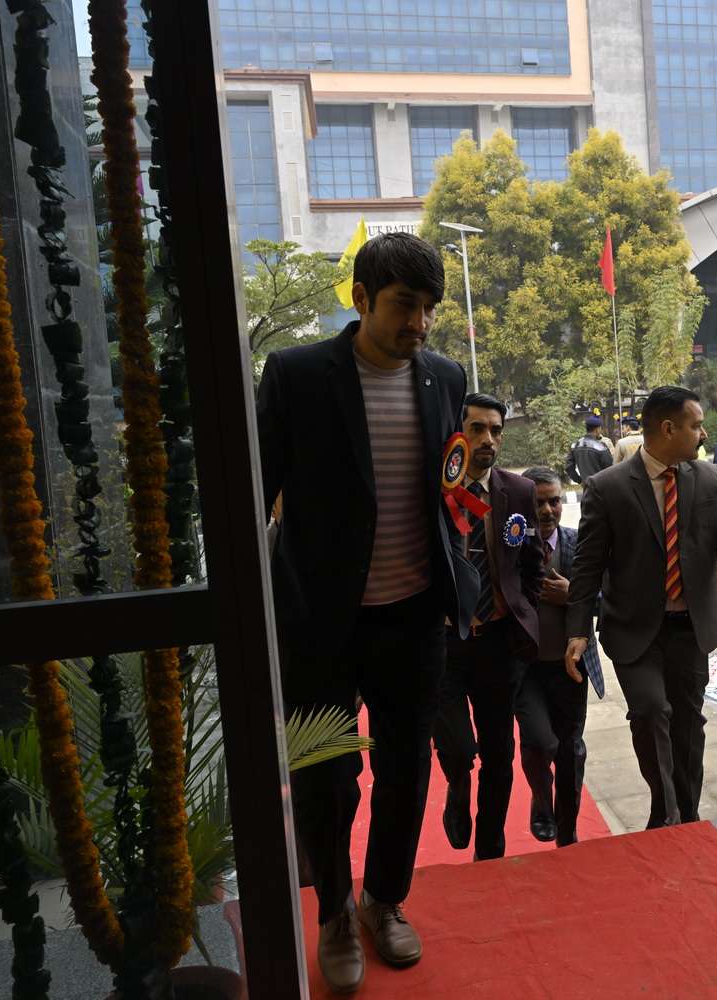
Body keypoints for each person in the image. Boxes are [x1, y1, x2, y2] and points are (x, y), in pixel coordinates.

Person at [256, 232, 469, 992]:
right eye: (405, 305)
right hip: (321, 623)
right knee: (328, 776)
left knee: (406, 769)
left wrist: (459, 582)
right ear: (361, 299)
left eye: (429, 308)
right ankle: (334, 913)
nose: (419, 323)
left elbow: (446, 492)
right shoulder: (297, 375)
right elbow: (257, 491)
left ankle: (384, 899)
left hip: (412, 619)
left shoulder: (445, 378)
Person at [564, 386, 717, 829]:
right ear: (669, 428)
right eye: (696, 425)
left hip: (690, 628)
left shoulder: (708, 478)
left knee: (688, 725)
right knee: (651, 712)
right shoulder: (608, 487)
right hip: (633, 629)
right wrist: (577, 629)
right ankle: (666, 810)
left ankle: (686, 816)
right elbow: (587, 564)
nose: (703, 433)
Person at [434, 393, 545, 861]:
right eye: (477, 429)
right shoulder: (432, 489)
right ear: (458, 434)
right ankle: (457, 785)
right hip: (443, 643)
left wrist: (522, 609)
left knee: (500, 753)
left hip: (497, 643)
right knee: (459, 748)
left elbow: (532, 564)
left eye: (496, 431)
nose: (488, 439)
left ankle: (490, 850)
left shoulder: (517, 492)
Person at [514, 466, 604, 846]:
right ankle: (540, 797)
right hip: (525, 669)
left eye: (554, 501)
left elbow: (609, 598)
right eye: (539, 503)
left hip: (571, 668)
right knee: (540, 743)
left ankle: (568, 831)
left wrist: (574, 597)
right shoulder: (510, 545)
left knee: (570, 751)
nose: (548, 510)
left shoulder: (579, 544)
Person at [566, 415, 614, 484]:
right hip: (600, 485)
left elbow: (569, 467)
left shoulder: (575, 445)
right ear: (597, 429)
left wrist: (579, 480)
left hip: (586, 486)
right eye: (600, 428)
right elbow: (610, 469)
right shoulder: (601, 446)